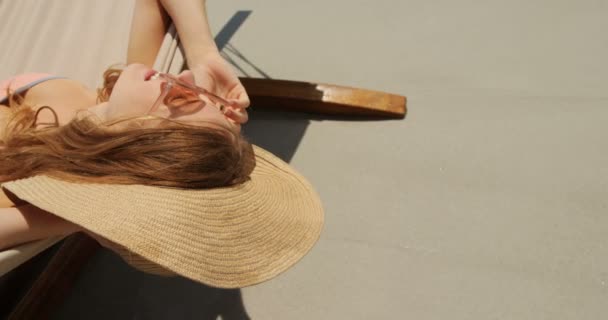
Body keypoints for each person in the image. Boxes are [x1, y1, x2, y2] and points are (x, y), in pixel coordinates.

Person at [0, 0, 323, 288]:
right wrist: (204, 55)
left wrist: (78, 216)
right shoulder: (108, 103)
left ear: (128, 145)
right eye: (200, 95)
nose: (183, 78)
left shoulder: (21, 196)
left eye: (178, 100)